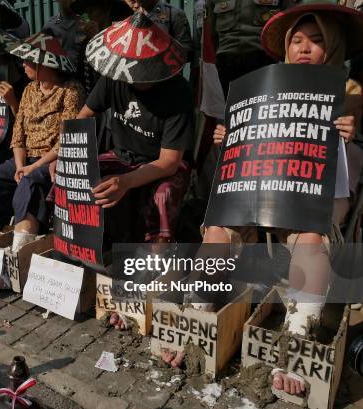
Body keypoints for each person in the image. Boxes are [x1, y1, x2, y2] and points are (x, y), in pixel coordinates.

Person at [196, 3, 362, 395]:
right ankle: (195, 319)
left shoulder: (352, 92)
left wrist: (352, 130)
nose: (304, 48)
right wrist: (228, 136)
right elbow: (247, 150)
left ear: (333, 47)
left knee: (311, 237)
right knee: (219, 227)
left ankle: (297, 340)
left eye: (317, 41)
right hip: (263, 191)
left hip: (317, 194)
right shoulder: (265, 87)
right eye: (297, 41)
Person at [80, 11, 193, 328]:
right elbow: (84, 115)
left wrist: (126, 181)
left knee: (163, 195)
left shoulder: (178, 92)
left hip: (163, 163)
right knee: (80, 181)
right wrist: (69, 157)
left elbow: (168, 161)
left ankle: (152, 273)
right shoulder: (113, 77)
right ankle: (93, 262)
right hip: (121, 156)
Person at [0, 34, 85, 251]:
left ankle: (20, 253)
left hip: (53, 160)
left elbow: (68, 139)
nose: (23, 65)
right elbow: (18, 132)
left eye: (28, 61)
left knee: (29, 183)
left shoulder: (71, 91)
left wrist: (33, 167)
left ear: (44, 64)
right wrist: (21, 165)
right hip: (26, 158)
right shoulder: (30, 90)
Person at [206, 0, 300, 96]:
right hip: (227, 58)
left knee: (263, 104)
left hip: (264, 56)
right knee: (234, 106)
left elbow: (292, 19)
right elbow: (212, 31)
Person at [123, 0, 193, 62]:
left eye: (141, 1)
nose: (136, 5)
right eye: (132, 1)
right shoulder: (133, 16)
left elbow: (186, 52)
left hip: (164, 72)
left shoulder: (174, 14)